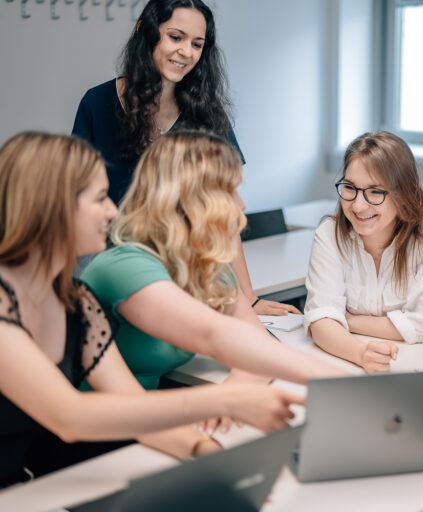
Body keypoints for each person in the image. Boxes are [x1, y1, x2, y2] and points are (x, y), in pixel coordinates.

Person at [0, 132, 303, 489]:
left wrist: (209, 455)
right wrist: (225, 399)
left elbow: (130, 403)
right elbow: (70, 416)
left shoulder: (75, 300)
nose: (113, 210)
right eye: (100, 198)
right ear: (49, 206)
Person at [71, 0, 295, 315]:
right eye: (175, 37)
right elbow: (75, 198)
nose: (186, 51)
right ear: (145, 33)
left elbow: (224, 209)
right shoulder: (97, 103)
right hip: (107, 264)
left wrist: (249, 297)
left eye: (196, 44)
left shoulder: (207, 114)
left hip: (180, 268)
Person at [80, 131, 347, 392]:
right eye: (230, 192)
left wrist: (237, 384)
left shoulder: (206, 267)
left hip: (150, 414)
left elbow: (261, 346)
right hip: (106, 426)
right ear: (191, 200)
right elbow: (217, 337)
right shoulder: (125, 267)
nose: (241, 206)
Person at [303, 131, 423, 372]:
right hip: (347, 363)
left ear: (403, 193)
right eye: (349, 187)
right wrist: (360, 353)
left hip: (414, 369)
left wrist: (349, 320)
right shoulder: (329, 234)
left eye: (375, 192)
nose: (358, 205)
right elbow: (320, 322)